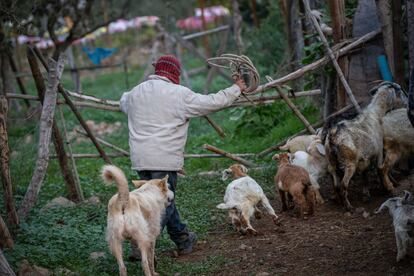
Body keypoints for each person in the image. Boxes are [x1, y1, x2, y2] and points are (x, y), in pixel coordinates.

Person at [119, 55, 246, 256]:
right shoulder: (179, 94)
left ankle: (183, 239)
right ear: (174, 73)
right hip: (164, 160)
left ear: (157, 71)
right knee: (163, 204)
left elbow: (123, 101)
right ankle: (141, 242)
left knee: (158, 201)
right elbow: (212, 102)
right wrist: (236, 89)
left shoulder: (135, 93)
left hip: (141, 160)